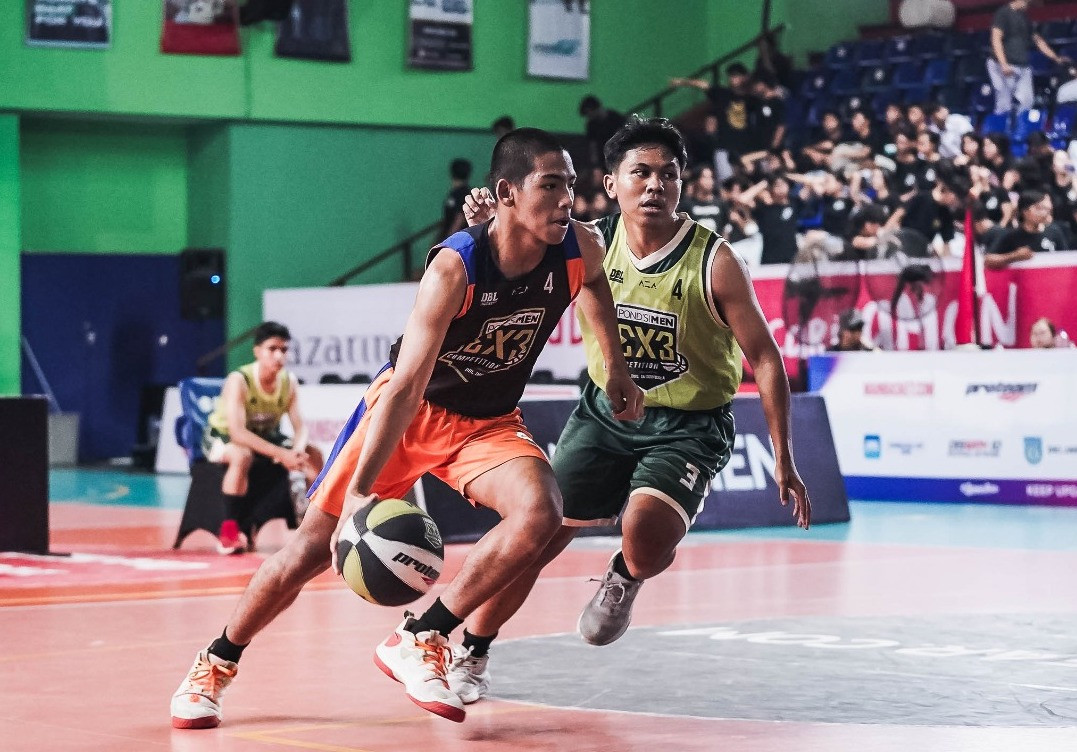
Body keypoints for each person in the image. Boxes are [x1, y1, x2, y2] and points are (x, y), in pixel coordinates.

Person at [169, 128, 644, 729]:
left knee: (541, 513)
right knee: (310, 551)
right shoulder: (454, 268)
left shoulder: (581, 247)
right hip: (411, 413)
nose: (566, 199)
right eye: (550, 186)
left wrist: (617, 369)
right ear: (507, 193)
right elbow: (406, 386)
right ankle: (215, 662)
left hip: (488, 424)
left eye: (571, 185)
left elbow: (595, 288)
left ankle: (423, 635)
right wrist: (361, 490)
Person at [453, 116, 811, 704]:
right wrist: (490, 218)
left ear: (682, 185)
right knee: (531, 539)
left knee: (643, 536)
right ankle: (473, 650)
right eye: (640, 172)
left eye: (668, 174)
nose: (654, 185)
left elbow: (766, 360)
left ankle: (625, 574)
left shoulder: (716, 261)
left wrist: (784, 457)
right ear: (610, 184)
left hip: (687, 426)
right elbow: (507, 250)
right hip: (605, 414)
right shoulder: (585, 244)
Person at [202, 321, 324, 555]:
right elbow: (237, 432)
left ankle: (315, 524)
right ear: (257, 351)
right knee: (242, 456)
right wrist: (281, 454)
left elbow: (300, 428)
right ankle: (229, 532)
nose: (279, 355)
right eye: (272, 349)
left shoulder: (288, 381)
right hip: (223, 436)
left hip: (264, 436)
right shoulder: (240, 380)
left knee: (314, 454)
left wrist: (297, 451)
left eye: (284, 349)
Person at [988, 0, 1069, 115]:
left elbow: (1038, 40)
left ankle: (1021, 125)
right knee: (1004, 103)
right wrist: (1003, 64)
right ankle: (999, 126)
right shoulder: (1003, 13)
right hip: (1003, 65)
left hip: (1022, 65)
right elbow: (996, 38)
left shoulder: (1025, 18)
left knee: (1027, 102)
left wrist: (1056, 58)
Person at [578, 94, 627, 169]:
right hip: (602, 159)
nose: (589, 116)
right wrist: (595, 165)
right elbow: (593, 145)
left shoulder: (616, 118)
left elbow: (624, 137)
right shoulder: (591, 125)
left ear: (595, 109)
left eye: (589, 113)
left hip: (618, 155)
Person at [440, 158, 473, 240]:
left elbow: (459, 218)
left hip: (456, 240)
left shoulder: (462, 194)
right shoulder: (457, 193)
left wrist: (449, 240)